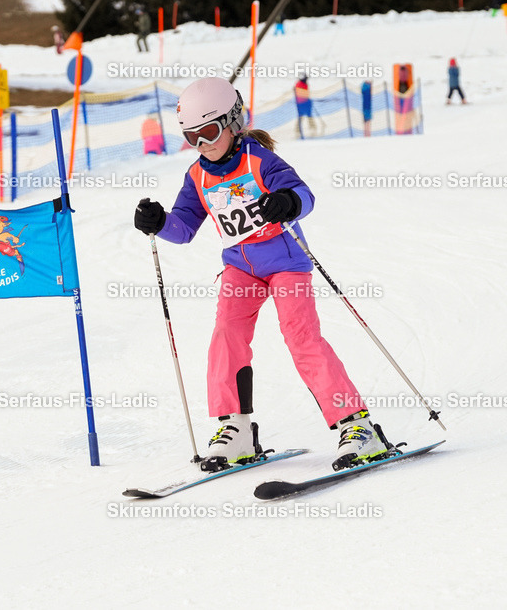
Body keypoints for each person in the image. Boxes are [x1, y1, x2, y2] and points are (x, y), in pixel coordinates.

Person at [133, 77, 389, 473]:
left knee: (301, 337)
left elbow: (305, 196)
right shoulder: (197, 176)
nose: (202, 145)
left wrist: (286, 201)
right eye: (191, 137)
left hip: (286, 262)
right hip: (241, 267)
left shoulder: (260, 161)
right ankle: (236, 429)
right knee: (226, 335)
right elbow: (183, 229)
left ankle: (356, 425)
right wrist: (159, 222)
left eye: (209, 132)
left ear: (234, 123)